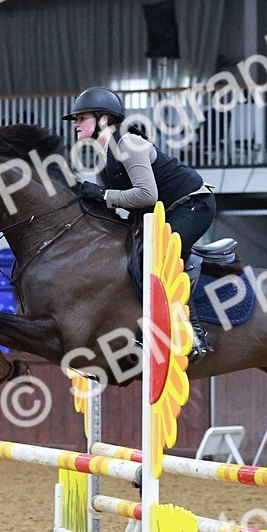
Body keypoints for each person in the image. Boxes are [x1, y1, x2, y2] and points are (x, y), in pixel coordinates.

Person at [64, 86, 215, 357]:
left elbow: (147, 194)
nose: (75, 124)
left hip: (192, 204)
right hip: (160, 213)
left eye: (81, 118)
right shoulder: (101, 156)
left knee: (158, 258)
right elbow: (112, 203)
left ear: (104, 119)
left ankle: (193, 335)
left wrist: (102, 194)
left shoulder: (128, 144)